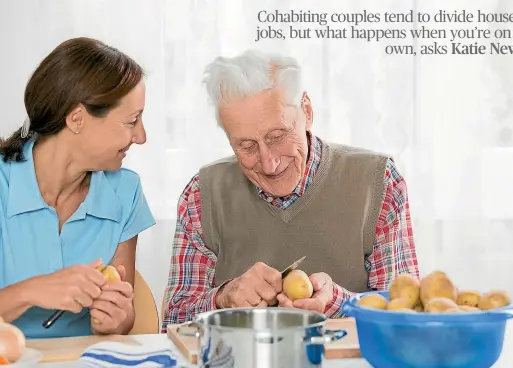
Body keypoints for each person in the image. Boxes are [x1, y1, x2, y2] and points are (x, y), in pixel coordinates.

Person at [162, 50, 419, 331]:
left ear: (306, 112)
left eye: (278, 136)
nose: (270, 164)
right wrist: (224, 298)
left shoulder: (379, 183)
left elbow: (405, 320)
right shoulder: (200, 196)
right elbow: (174, 323)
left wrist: (337, 303)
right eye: (246, 146)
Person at [0, 37, 155, 339]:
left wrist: (115, 318)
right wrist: (32, 291)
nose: (141, 137)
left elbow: (123, 319)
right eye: (132, 121)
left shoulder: (125, 191)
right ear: (77, 119)